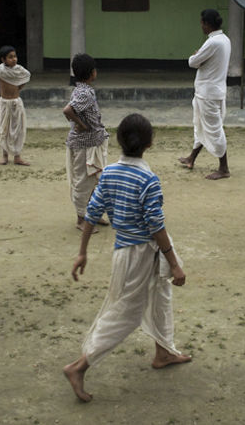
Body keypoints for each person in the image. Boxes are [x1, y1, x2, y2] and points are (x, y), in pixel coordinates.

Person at [63, 114, 192, 403]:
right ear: (149, 143)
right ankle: (79, 366)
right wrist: (174, 263)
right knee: (127, 314)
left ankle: (163, 351)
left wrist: (82, 252)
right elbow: (156, 225)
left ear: (119, 141)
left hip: (126, 252)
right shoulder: (148, 179)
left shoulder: (108, 173)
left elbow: (92, 213)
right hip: (143, 253)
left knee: (161, 297)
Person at [179, 8, 232, 180]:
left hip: (208, 93)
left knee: (214, 130)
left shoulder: (213, 42)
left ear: (207, 24)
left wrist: (196, 56)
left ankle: (224, 168)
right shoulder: (224, 40)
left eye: (202, 23)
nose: (201, 26)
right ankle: (191, 158)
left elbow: (193, 62)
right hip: (212, 91)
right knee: (202, 127)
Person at [63, 53, 109, 232]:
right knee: (84, 181)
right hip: (84, 145)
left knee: (95, 180)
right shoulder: (85, 92)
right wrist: (82, 125)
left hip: (92, 142)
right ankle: (81, 218)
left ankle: (93, 215)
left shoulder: (82, 90)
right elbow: (68, 110)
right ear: (92, 73)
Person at [0, 45, 31, 166]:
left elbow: (26, 77)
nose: (14, 59)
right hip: (4, 103)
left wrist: (18, 86)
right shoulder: (0, 71)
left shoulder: (20, 70)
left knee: (17, 130)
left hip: (16, 103)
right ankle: (4, 155)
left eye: (15, 56)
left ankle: (17, 156)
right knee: (4, 129)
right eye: (10, 57)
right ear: (3, 60)